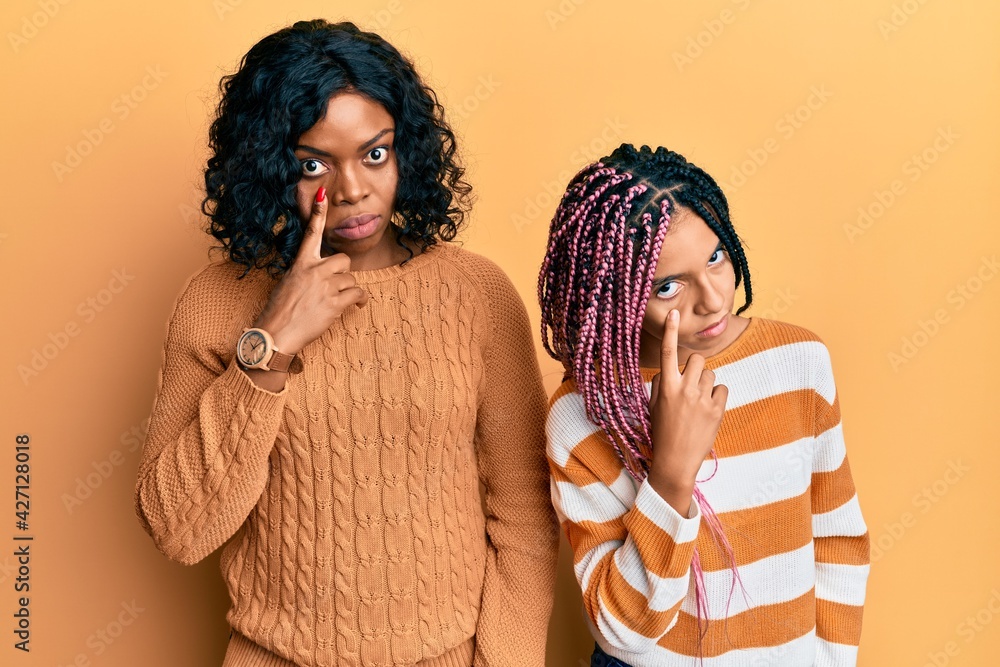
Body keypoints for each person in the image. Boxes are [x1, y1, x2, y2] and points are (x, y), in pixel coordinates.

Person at [133, 19, 558, 667]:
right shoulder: (218, 300)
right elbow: (178, 529)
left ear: (406, 150)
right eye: (313, 164)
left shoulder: (477, 294)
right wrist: (270, 344)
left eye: (375, 153)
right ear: (270, 167)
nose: (353, 189)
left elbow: (525, 516)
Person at [538, 143, 870, 666]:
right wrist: (670, 476)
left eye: (715, 257)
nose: (713, 299)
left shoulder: (799, 362)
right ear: (615, 300)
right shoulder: (581, 417)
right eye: (668, 286)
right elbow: (621, 633)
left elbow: (838, 539)